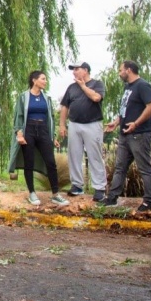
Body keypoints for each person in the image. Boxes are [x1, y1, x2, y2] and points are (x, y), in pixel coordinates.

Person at [102, 60, 151, 212]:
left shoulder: (143, 86)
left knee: (144, 168)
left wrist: (136, 123)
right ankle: (112, 198)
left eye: (121, 70)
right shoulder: (128, 87)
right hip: (125, 135)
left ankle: (147, 202)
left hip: (139, 135)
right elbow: (126, 110)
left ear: (128, 70)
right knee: (120, 167)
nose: (119, 73)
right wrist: (116, 122)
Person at [8, 70, 70, 207]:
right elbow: (18, 116)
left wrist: (52, 136)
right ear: (34, 80)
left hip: (43, 131)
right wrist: (19, 134)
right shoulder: (23, 97)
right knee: (28, 162)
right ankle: (32, 193)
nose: (45, 81)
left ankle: (55, 194)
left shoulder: (46, 98)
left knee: (51, 162)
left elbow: (51, 119)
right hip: (28, 130)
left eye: (45, 79)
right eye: (43, 79)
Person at [59, 61, 108, 202]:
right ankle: (77, 186)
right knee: (74, 155)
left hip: (92, 124)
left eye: (77, 69)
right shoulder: (71, 88)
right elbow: (64, 107)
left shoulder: (97, 84)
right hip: (74, 124)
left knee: (95, 156)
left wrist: (83, 86)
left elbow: (96, 97)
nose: (74, 72)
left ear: (85, 70)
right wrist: (62, 125)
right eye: (73, 70)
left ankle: (99, 188)